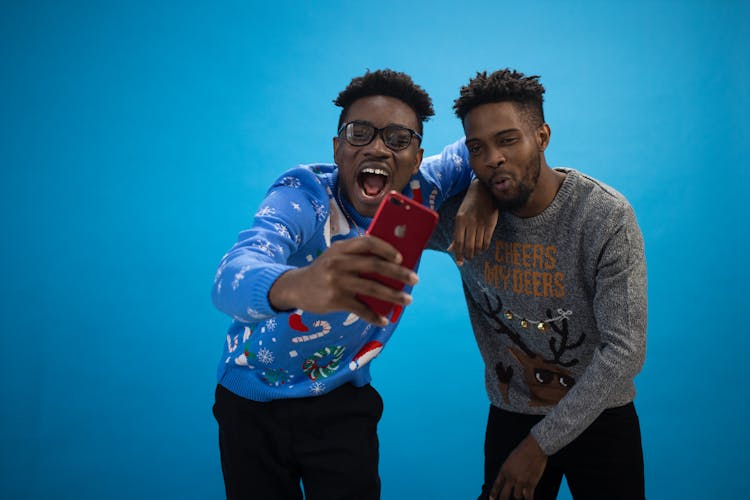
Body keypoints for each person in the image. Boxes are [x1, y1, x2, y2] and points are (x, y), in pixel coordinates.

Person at [210, 69, 486, 500]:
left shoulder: (424, 186)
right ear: (337, 147)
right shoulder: (302, 194)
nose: (377, 146)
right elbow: (230, 277)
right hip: (252, 402)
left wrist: (479, 195)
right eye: (360, 133)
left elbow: (487, 152)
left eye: (398, 138)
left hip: (342, 398)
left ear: (416, 157)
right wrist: (299, 285)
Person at [428, 69, 647, 500]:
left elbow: (625, 351)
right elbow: (380, 207)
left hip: (601, 411)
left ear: (542, 137)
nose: (493, 158)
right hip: (513, 410)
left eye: (508, 140)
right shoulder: (462, 220)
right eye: (478, 148)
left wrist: (539, 445)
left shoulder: (604, 216)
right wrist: (474, 189)